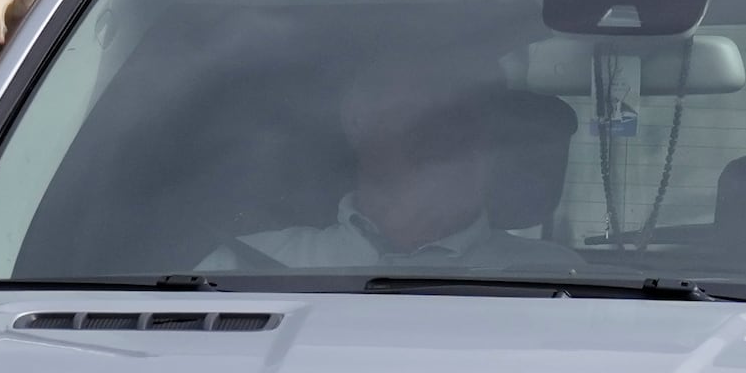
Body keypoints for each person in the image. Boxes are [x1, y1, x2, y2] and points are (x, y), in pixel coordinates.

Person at [201, 83, 583, 276]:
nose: (443, 141)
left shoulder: (559, 279)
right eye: (414, 121)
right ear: (358, 130)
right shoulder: (242, 267)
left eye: (465, 127)